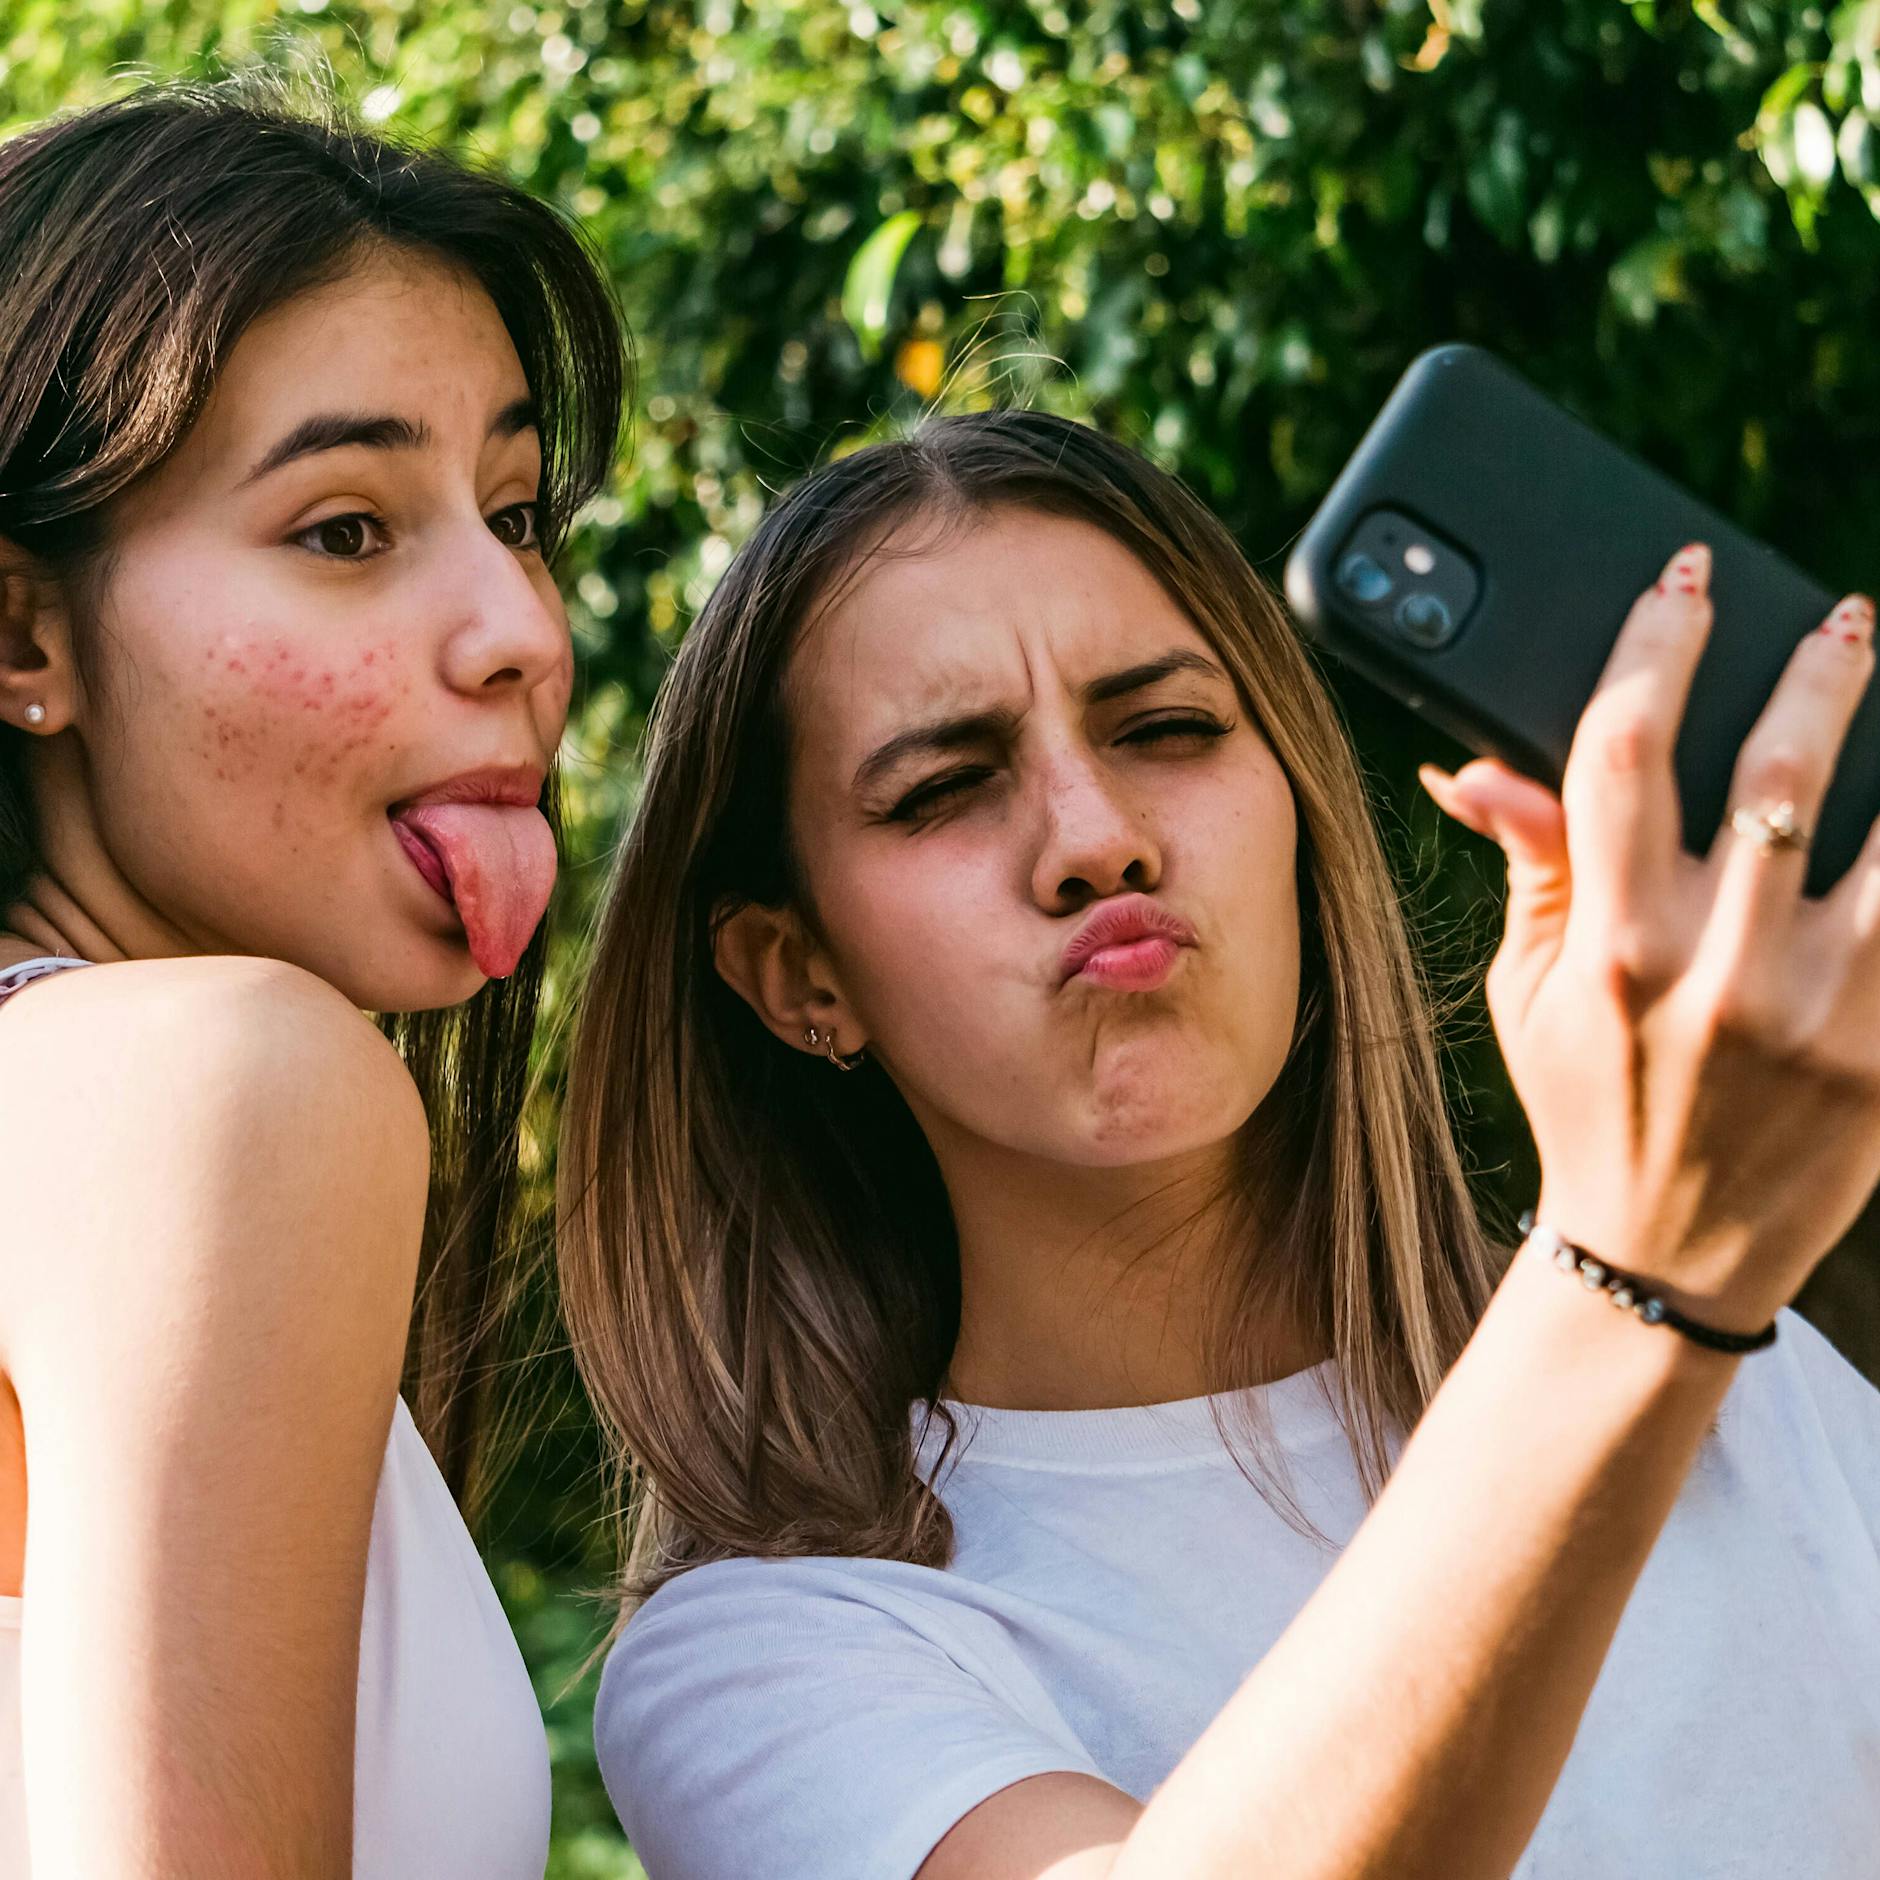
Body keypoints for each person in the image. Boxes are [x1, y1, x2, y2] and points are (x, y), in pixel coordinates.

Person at [560, 411, 1880, 1879]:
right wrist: (1632, 1274)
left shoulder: (1760, 1406)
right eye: (943, 788)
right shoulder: (779, 1655)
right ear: (801, 975)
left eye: (1168, 729)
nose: (1095, 838)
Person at [0, 76, 624, 1876]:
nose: (523, 633)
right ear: (25, 632)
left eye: (512, 512)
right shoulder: (223, 1085)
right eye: (346, 531)